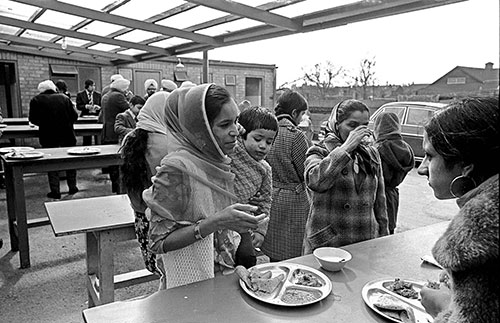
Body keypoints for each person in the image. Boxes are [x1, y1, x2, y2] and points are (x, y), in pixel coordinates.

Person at [143, 84, 267, 289]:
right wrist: (215, 223)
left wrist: (243, 229)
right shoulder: (176, 170)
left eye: (235, 121)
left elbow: (224, 226)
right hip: (190, 286)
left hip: (225, 279)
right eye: (225, 124)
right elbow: (158, 242)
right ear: (201, 130)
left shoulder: (219, 162)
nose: (236, 131)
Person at [418, 96, 499, 323]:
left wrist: (445, 308)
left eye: (430, 156)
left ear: (466, 167)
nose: (422, 169)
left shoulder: (479, 233)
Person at [303, 99, 388, 254]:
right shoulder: (319, 151)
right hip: (329, 242)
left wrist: (383, 234)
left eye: (364, 126)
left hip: (364, 238)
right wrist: (346, 147)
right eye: (352, 125)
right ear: (336, 125)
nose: (359, 132)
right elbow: (316, 182)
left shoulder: (371, 154)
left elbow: (380, 201)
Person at [120, 91, 171, 288]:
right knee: (169, 273)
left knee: (156, 267)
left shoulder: (130, 138)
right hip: (164, 219)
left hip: (140, 215)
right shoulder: (168, 144)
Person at [261, 90, 311, 262]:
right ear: (294, 113)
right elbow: (305, 172)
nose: (302, 118)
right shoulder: (295, 136)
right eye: (302, 113)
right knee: (292, 249)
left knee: (273, 244)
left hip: (270, 193)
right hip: (294, 199)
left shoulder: (267, 131)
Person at [229, 106, 278, 268]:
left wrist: (261, 230)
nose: (263, 146)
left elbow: (265, 202)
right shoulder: (231, 153)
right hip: (220, 220)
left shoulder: (265, 169)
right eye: (258, 139)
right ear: (242, 135)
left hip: (243, 224)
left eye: (269, 142)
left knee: (247, 259)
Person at [29, 80, 79, 199]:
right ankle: (72, 187)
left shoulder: (35, 100)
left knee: (52, 164)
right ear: (53, 88)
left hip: (48, 136)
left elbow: (33, 119)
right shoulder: (64, 98)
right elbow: (75, 116)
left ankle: (55, 191)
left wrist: (45, 123)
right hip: (67, 135)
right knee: (70, 161)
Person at [373, 112, 414, 234]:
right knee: (389, 231)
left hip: (377, 197)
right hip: (393, 197)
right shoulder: (406, 148)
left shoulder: (378, 149)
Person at [100, 77, 130, 193]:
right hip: (115, 131)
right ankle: (119, 189)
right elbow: (129, 108)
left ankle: (114, 186)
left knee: (112, 161)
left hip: (107, 130)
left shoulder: (106, 95)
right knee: (118, 160)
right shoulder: (118, 96)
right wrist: (129, 98)